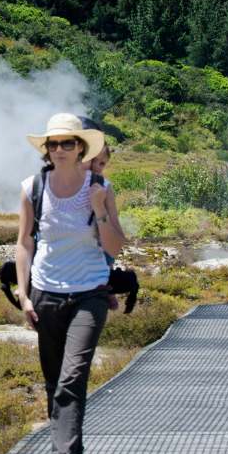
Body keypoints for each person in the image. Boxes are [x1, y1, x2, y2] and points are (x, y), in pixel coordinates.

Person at [16, 113, 125, 454]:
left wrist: (98, 209)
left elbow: (113, 245)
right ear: (46, 150)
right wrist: (24, 293)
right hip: (46, 292)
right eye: (53, 144)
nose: (59, 149)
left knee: (73, 374)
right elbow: (25, 242)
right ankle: (70, 447)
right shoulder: (32, 187)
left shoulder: (100, 186)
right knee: (53, 380)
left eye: (67, 143)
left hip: (90, 292)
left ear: (81, 148)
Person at [78, 117, 126, 310]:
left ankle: (107, 287)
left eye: (102, 163)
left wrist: (100, 208)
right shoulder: (46, 184)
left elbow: (115, 240)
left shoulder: (103, 187)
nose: (98, 167)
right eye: (93, 160)